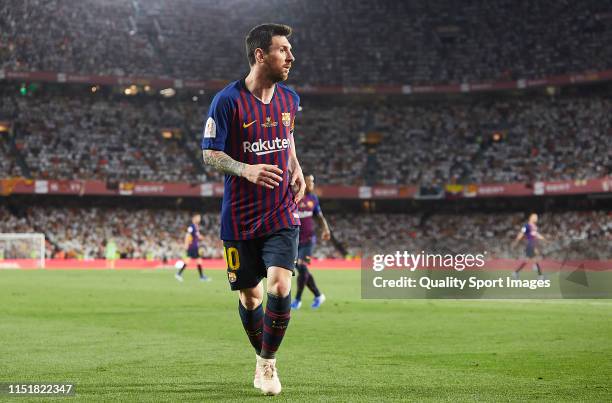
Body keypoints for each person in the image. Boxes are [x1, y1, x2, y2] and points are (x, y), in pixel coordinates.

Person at [201, 23, 305, 396]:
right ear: (261, 54)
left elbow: (288, 136)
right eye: (283, 50)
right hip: (239, 219)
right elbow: (209, 153)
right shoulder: (227, 101)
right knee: (250, 297)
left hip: (281, 212)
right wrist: (246, 169)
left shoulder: (289, 98)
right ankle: (263, 357)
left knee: (280, 285)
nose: (291, 57)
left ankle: (267, 363)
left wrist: (296, 168)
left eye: (290, 50)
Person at [291, 174, 330, 309]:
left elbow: (319, 216)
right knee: (303, 269)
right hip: (295, 241)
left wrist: (326, 229)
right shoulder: (293, 196)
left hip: (308, 241)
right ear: (302, 182)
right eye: (309, 181)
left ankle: (297, 300)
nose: (311, 184)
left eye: (313, 182)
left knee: (302, 266)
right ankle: (319, 295)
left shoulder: (313, 199)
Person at [175, 213, 210, 282]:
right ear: (194, 218)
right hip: (192, 247)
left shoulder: (196, 227)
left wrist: (203, 238)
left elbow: (198, 236)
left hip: (195, 246)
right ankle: (179, 274)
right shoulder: (192, 227)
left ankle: (201, 276)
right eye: (198, 217)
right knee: (190, 261)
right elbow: (187, 235)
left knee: (198, 261)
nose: (199, 219)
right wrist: (186, 244)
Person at [512, 213, 547, 280]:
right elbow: (522, 233)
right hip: (530, 244)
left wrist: (543, 239)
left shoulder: (534, 226)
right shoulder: (527, 225)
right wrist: (516, 241)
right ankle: (540, 275)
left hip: (533, 243)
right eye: (535, 217)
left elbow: (536, 235)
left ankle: (516, 272)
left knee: (528, 260)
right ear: (531, 218)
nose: (537, 218)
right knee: (534, 259)